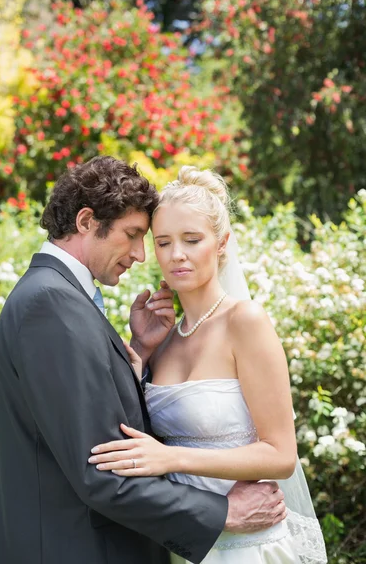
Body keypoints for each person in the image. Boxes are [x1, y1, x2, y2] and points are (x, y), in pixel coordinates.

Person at [0, 156, 287, 564]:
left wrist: (140, 352)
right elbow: (100, 469)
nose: (143, 255)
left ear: (221, 243)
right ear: (86, 221)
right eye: (140, 236)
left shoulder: (58, 297)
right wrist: (223, 512)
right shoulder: (51, 302)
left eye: (188, 239)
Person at [89, 166, 328, 564]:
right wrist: (141, 351)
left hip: (250, 546)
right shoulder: (163, 337)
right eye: (163, 242)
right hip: (187, 545)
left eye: (192, 240)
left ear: (221, 243)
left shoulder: (245, 321)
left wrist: (173, 458)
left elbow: (281, 455)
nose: (176, 255)